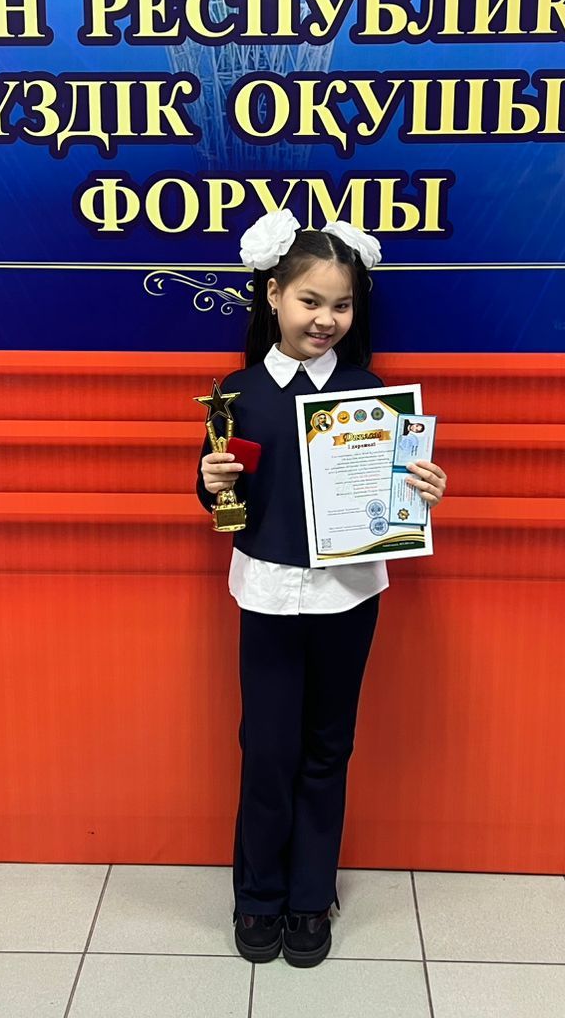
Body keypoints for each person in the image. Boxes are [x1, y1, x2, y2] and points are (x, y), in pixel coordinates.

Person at [194, 208, 447, 969]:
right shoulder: (237, 394)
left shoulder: (373, 395)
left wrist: (420, 490)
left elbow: (393, 497)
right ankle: (257, 895)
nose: (325, 319)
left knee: (328, 746)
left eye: (341, 305)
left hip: (349, 595)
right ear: (273, 295)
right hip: (269, 592)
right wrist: (210, 482)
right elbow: (221, 497)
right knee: (267, 747)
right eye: (310, 300)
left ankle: (310, 896)